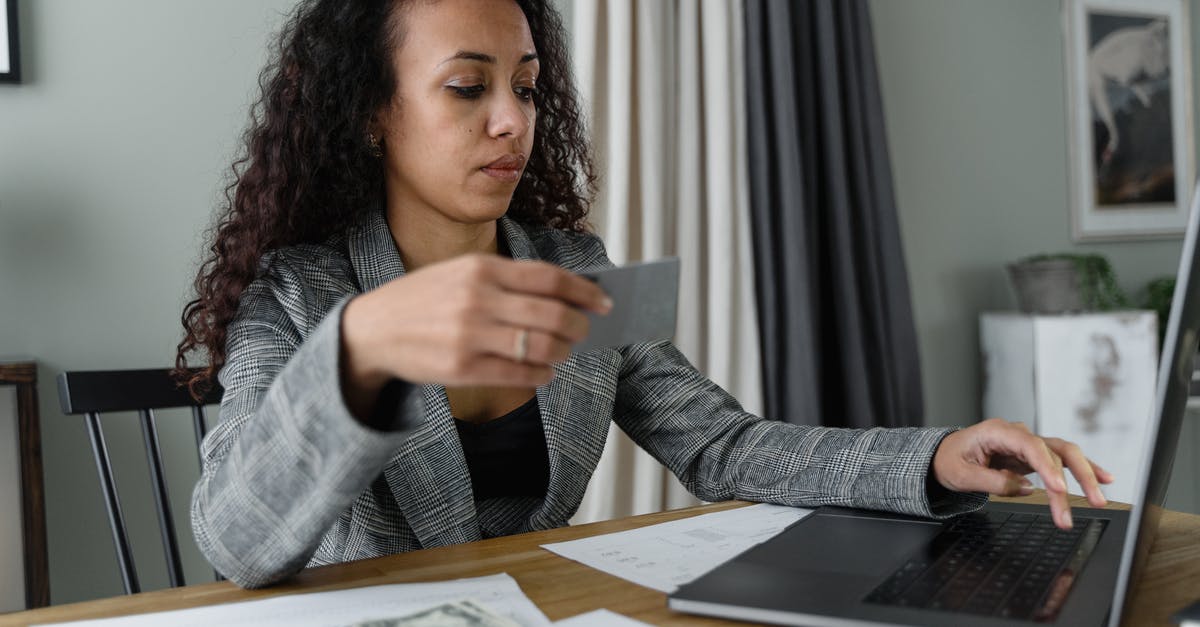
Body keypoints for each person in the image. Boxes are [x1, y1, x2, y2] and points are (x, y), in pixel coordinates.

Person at [177, 0, 1113, 589]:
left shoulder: (576, 269)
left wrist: (938, 457)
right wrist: (360, 348)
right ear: (374, 114)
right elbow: (234, 540)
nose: (512, 121)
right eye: (467, 87)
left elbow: (724, 445)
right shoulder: (299, 292)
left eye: (529, 89)